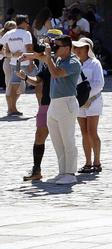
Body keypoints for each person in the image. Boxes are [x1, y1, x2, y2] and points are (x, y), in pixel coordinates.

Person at [24, 35, 81, 185]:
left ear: (67, 48)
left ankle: (70, 173)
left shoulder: (73, 62)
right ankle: (62, 172)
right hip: (54, 103)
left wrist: (48, 56)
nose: (54, 49)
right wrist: (31, 55)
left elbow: (56, 73)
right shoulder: (60, 59)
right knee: (57, 141)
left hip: (66, 103)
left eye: (58, 46)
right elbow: (42, 57)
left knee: (68, 140)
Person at [19, 30, 61, 181]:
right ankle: (36, 170)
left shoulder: (63, 58)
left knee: (62, 137)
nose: (45, 42)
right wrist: (25, 78)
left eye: (49, 40)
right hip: (45, 103)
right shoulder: (44, 61)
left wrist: (36, 55)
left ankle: (66, 170)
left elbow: (50, 61)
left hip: (60, 102)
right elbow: (38, 81)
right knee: (39, 136)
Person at [72, 37, 103, 174]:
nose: (78, 50)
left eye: (81, 48)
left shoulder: (95, 63)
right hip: (79, 102)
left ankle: (97, 161)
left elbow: (99, 83)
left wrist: (87, 97)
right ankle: (87, 162)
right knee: (84, 133)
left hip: (93, 101)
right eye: (76, 48)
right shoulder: (74, 64)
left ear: (87, 49)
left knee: (92, 131)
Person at [1, 15, 31, 117]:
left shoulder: (10, 35)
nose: (28, 24)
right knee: (12, 86)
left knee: (19, 87)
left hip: (14, 63)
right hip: (13, 63)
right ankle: (11, 108)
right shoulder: (20, 34)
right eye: (27, 22)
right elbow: (4, 52)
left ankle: (12, 108)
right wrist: (13, 55)